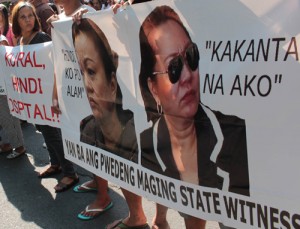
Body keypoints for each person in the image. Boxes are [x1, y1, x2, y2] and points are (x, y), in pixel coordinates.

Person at [138, 5, 249, 229]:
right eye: (174, 68)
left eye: (191, 56)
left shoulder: (236, 137)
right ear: (154, 88)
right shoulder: (146, 142)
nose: (188, 75)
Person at [71, 18, 149, 229]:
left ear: (113, 82)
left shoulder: (140, 136)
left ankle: (137, 217)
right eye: (81, 72)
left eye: (92, 71)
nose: (86, 85)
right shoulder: (87, 128)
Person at [11, 1, 79, 192]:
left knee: (53, 133)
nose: (28, 20)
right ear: (16, 20)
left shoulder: (40, 38)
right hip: (33, 98)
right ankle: (55, 163)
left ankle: (70, 173)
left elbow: (56, 66)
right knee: (43, 129)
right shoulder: (19, 41)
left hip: (47, 95)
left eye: (30, 15)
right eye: (23, 17)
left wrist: (55, 96)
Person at [0, 35, 26, 159]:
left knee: (10, 118)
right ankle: (8, 144)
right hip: (2, 86)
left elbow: (8, 61)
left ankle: (19, 146)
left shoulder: (1, 40)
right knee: (4, 119)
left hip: (4, 87)